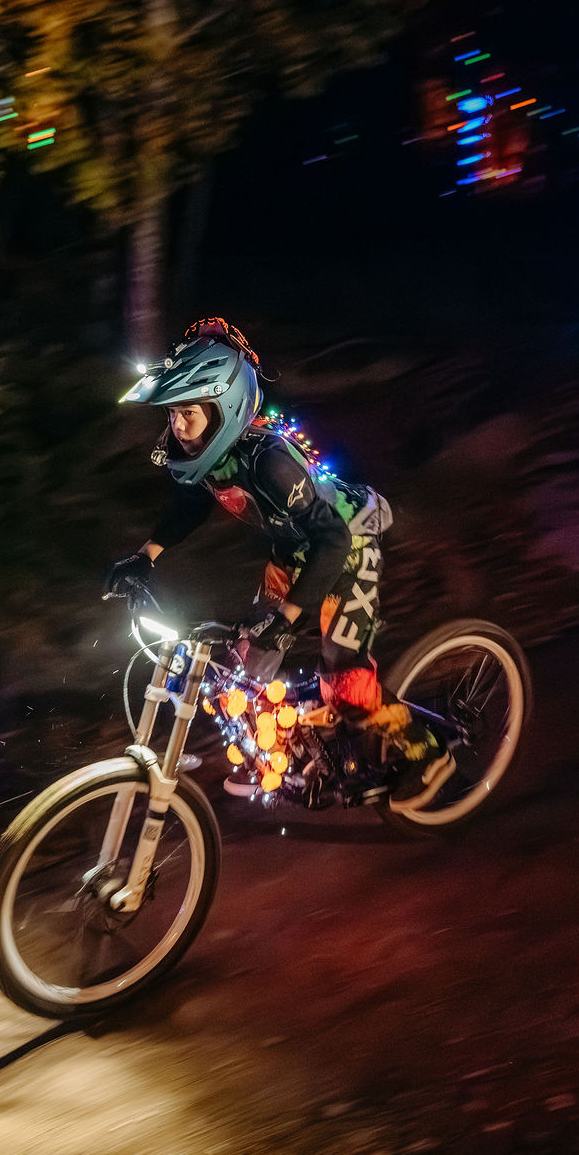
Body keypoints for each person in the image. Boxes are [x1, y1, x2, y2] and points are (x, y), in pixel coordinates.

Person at [106, 318, 452, 801]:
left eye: (187, 412)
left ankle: (428, 750)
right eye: (172, 413)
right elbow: (192, 502)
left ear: (222, 409)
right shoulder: (208, 452)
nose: (177, 425)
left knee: (347, 680)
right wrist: (145, 556)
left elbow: (331, 540)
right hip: (293, 550)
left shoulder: (270, 460)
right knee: (240, 674)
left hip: (346, 541)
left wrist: (290, 616)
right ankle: (291, 753)